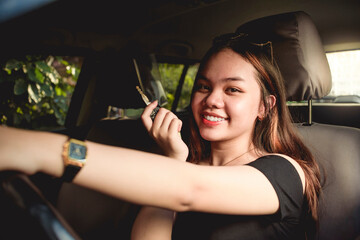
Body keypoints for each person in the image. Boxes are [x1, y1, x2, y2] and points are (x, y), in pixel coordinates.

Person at [0, 33, 321, 240]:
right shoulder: (185, 165)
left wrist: (44, 149)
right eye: (204, 86)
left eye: (232, 89)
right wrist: (172, 159)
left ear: (265, 106)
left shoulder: (285, 172)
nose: (211, 99)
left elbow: (189, 188)